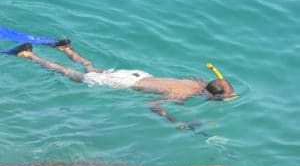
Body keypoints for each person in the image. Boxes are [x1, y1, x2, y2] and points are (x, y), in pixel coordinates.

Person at [2, 40, 238, 130]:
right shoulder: (181, 95)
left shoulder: (195, 81)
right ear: (211, 96)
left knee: (93, 69)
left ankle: (65, 48)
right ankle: (29, 56)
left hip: (137, 74)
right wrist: (176, 120)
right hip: (125, 83)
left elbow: (215, 84)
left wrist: (221, 88)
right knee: (73, 75)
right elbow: (153, 104)